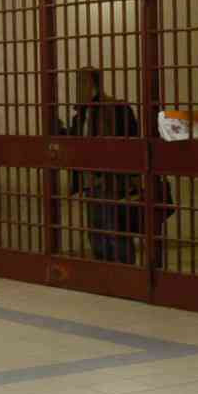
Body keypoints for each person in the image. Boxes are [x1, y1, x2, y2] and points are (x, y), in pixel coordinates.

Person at [63, 67, 141, 265]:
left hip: (111, 178)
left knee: (114, 227)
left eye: (81, 82)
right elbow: (75, 141)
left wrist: (132, 177)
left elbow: (131, 141)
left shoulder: (116, 108)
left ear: (93, 83)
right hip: (90, 180)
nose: (77, 87)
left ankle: (124, 269)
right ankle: (104, 268)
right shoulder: (81, 112)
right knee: (96, 228)